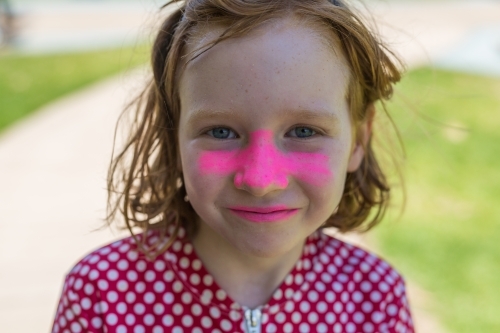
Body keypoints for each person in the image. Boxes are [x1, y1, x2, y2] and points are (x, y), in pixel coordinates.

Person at [52, 0, 414, 332]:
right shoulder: (102, 296)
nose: (260, 180)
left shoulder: (374, 301)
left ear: (359, 140)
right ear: (174, 136)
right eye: (221, 131)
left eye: (304, 131)